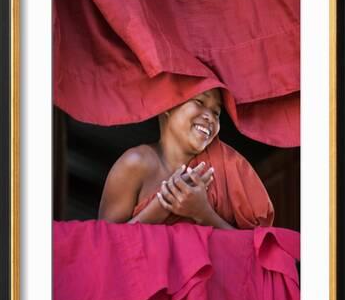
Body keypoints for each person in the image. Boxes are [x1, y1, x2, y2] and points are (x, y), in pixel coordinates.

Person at [98, 88, 274, 228]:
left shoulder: (225, 167)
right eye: (199, 101)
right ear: (168, 104)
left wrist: (203, 213)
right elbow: (104, 249)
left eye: (216, 112)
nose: (209, 117)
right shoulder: (135, 163)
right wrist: (161, 207)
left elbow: (252, 255)